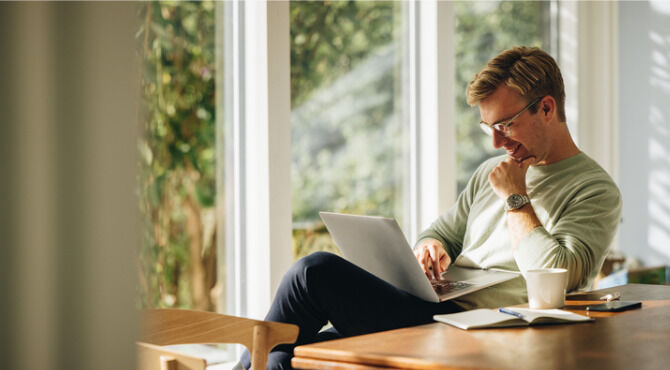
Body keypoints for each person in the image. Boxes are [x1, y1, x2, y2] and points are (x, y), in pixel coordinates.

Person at [238, 46, 622, 369]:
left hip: (486, 326)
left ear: (547, 108)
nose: (494, 143)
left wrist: (515, 198)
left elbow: (563, 275)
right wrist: (430, 248)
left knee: (314, 272)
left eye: (505, 125)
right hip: (435, 308)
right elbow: (442, 233)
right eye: (488, 127)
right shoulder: (491, 172)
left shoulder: (594, 189)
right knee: (288, 357)